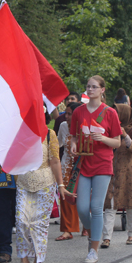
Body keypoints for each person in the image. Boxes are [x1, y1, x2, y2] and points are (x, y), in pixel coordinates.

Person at [70, 75, 122, 263]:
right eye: (88, 86)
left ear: (102, 90)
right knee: (82, 207)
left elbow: (117, 142)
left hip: (103, 163)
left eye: (94, 87)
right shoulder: (79, 112)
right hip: (84, 163)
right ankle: (94, 233)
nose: (90, 89)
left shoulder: (110, 113)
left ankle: (93, 249)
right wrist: (74, 145)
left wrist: (102, 139)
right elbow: (74, 136)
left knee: (96, 207)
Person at [15, 110, 65, 263]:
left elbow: (55, 161)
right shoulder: (21, 135)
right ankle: (24, 260)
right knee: (21, 222)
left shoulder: (50, 135)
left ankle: (38, 261)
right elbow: (15, 159)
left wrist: (61, 184)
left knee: (38, 224)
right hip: (24, 182)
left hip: (45, 182)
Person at [101, 104, 132, 248]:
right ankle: (106, 237)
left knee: (131, 203)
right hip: (113, 169)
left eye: (116, 113)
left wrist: (124, 135)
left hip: (129, 170)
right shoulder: (109, 128)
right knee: (110, 203)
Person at [55, 101, 82, 241]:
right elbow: (58, 143)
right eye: (66, 113)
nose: (66, 116)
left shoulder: (85, 127)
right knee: (65, 197)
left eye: (69, 114)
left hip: (82, 167)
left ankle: (87, 227)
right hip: (66, 166)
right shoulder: (63, 126)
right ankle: (67, 230)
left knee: (83, 198)